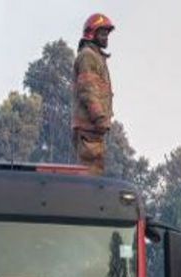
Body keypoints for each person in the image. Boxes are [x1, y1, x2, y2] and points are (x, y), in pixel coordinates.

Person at [72, 13, 114, 175]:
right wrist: (100, 118)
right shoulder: (88, 57)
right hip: (88, 130)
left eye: (107, 34)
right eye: (102, 33)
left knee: (94, 175)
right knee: (89, 178)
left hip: (93, 131)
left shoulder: (95, 57)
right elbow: (88, 91)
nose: (106, 38)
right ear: (92, 33)